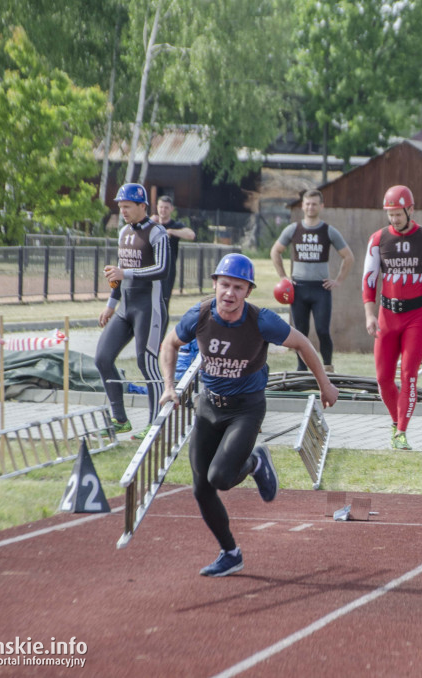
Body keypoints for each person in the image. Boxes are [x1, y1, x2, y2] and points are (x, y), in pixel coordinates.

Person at [158, 253, 339, 577]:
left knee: (220, 478)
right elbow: (169, 344)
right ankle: (230, 552)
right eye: (224, 285)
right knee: (201, 487)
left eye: (238, 288)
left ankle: (255, 461)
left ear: (248, 291)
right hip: (209, 405)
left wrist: (325, 385)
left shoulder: (261, 320)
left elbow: (303, 344)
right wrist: (168, 387)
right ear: (215, 284)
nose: (230, 293)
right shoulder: (199, 315)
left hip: (246, 408)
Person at [362, 185, 422, 450]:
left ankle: (401, 432)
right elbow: (369, 278)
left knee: (409, 375)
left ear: (411, 210)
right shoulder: (378, 239)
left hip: (416, 318)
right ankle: (395, 422)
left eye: (399, 214)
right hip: (387, 316)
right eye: (390, 214)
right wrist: (369, 314)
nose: (394, 219)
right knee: (383, 378)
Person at [95, 183, 169, 439]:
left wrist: (125, 273)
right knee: (102, 358)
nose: (122, 211)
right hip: (125, 308)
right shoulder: (124, 232)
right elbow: (119, 271)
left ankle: (156, 423)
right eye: (120, 207)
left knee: (146, 362)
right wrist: (110, 304)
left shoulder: (157, 232)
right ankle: (120, 420)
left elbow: (162, 269)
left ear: (142, 206)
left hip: (149, 308)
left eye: (127, 206)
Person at [271, 189, 354, 372]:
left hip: (320, 290)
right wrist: (284, 277)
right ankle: (302, 369)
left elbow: (348, 257)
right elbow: (275, 251)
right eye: (307, 203)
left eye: (314, 203)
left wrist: (338, 280)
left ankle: (328, 368)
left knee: (323, 331)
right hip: (298, 289)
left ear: (321, 206)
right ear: (302, 206)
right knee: (300, 333)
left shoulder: (328, 231)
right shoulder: (293, 229)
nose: (310, 207)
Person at [154, 195, 196, 308]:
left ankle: (162, 325)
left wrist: (171, 232)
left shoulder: (175, 226)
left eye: (166, 207)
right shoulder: (152, 224)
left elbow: (191, 235)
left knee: (163, 301)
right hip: (150, 267)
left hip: (167, 269)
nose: (163, 210)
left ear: (171, 209)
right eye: (161, 207)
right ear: (157, 207)